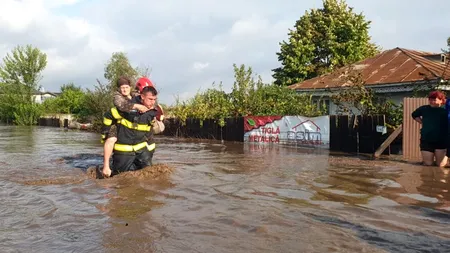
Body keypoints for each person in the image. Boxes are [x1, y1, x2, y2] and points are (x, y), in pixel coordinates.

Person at [102, 86, 162, 176]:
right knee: (119, 177)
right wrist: (106, 134)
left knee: (150, 174)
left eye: (154, 99)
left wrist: (149, 154)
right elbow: (108, 116)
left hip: (141, 150)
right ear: (142, 96)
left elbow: (150, 134)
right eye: (150, 99)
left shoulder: (153, 111)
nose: (153, 102)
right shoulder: (128, 107)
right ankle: (106, 167)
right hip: (124, 150)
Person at [412, 91, 448, 167]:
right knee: (428, 165)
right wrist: (422, 122)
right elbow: (414, 115)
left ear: (441, 100)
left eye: (434, 99)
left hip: (442, 140)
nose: (432, 101)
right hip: (426, 139)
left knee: (440, 165)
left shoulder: (445, 111)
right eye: (430, 99)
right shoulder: (424, 109)